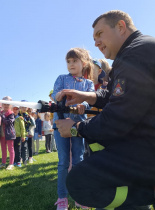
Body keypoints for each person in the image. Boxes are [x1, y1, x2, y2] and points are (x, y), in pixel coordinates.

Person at [55, 10, 155, 210]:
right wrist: (85, 96)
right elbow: (112, 95)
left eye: (100, 34)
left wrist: (75, 128)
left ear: (120, 27)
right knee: (101, 150)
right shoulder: (141, 49)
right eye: (94, 38)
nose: (96, 43)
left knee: (80, 183)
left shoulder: (135, 54)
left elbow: (118, 118)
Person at [52, 47, 95, 210]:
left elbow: (89, 100)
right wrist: (58, 95)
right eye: (68, 61)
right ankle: (62, 198)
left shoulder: (88, 83)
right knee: (63, 161)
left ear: (83, 63)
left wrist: (82, 105)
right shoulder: (61, 79)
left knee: (78, 160)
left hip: (78, 127)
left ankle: (79, 196)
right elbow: (54, 94)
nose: (71, 64)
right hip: (61, 125)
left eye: (74, 61)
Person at [0, 96, 16, 170]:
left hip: (9, 134)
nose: (6, 106)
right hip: (2, 134)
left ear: (10, 105)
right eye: (5, 104)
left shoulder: (11, 113)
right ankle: (3, 163)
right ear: (2, 104)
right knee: (3, 149)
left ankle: (11, 164)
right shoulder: (0, 112)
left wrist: (2, 117)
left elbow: (9, 122)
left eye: (8, 104)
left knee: (10, 149)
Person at [18, 100, 34, 165]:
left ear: (27, 108)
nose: (24, 108)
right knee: (20, 147)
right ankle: (20, 158)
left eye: (25, 107)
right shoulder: (18, 114)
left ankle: (28, 159)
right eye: (22, 107)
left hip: (27, 134)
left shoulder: (28, 116)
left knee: (27, 146)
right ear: (20, 107)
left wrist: (31, 118)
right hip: (20, 133)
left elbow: (32, 124)